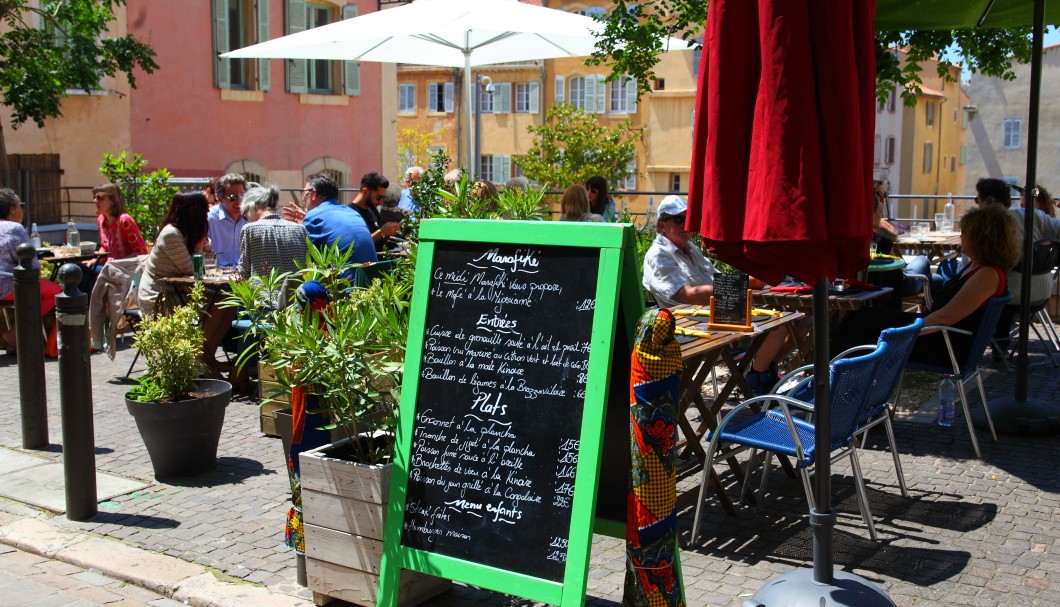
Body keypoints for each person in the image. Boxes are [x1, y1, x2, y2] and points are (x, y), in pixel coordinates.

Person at [833, 204, 1020, 367]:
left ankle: (833, 386)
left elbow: (945, 318)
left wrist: (901, 335)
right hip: (937, 335)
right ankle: (831, 381)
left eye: (965, 233)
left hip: (945, 346)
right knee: (861, 317)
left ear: (982, 239)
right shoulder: (978, 266)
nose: (961, 238)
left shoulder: (988, 274)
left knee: (858, 327)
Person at [642, 195, 788, 393]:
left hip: (713, 317)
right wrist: (746, 284)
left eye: (689, 219)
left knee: (790, 316)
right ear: (662, 226)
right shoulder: (658, 255)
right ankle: (756, 378)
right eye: (679, 219)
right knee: (778, 327)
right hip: (687, 327)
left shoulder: (690, 249)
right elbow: (688, 294)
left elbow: (717, 280)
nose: (686, 224)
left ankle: (759, 371)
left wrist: (749, 281)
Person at [138, 192, 234, 375]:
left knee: (228, 302)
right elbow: (192, 268)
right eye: (204, 210)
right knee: (220, 302)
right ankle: (200, 359)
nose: (207, 215)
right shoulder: (171, 234)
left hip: (180, 290)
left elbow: (205, 264)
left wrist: (204, 246)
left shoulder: (186, 234)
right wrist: (200, 247)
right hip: (160, 295)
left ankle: (205, 356)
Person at [0, 189, 62, 354]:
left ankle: (16, 336)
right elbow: (32, 267)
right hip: (6, 286)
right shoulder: (14, 228)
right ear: (12, 209)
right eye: (20, 205)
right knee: (55, 292)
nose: (23, 209)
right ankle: (15, 334)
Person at [301, 173, 377, 264]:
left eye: (304, 193)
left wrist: (299, 227)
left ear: (313, 194)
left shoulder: (314, 216)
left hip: (345, 277)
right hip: (372, 276)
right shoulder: (353, 213)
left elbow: (302, 255)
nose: (303, 199)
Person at [238, 184, 309, 280]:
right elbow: (308, 267)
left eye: (245, 214)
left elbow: (244, 272)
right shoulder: (300, 229)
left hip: (264, 293)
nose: (247, 218)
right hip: (295, 293)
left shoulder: (249, 230)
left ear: (254, 206)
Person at [348, 172, 401, 252]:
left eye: (383, 198)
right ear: (365, 191)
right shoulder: (349, 213)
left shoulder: (373, 210)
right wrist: (381, 232)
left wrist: (387, 234)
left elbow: (378, 243)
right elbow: (356, 245)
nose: (381, 202)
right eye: (378, 198)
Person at [93, 183, 148, 260]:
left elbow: (142, 253)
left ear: (113, 200)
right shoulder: (101, 220)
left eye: (100, 197)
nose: (95, 201)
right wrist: (94, 260)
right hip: (109, 267)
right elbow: (104, 248)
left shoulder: (125, 221)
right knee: (80, 268)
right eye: (94, 197)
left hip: (127, 269)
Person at [207, 173, 249, 267]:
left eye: (242, 195)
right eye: (233, 197)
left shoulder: (250, 218)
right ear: (220, 198)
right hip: (217, 276)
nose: (239, 201)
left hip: (243, 277)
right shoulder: (209, 219)